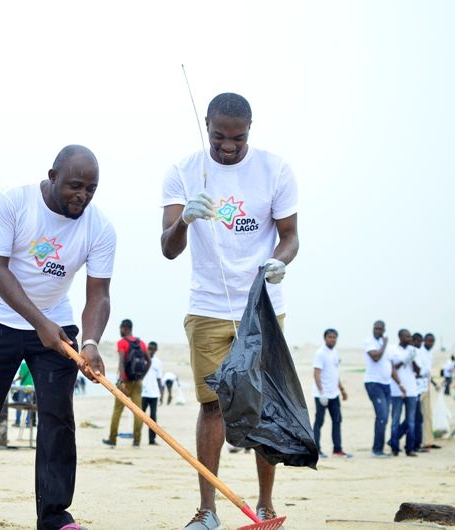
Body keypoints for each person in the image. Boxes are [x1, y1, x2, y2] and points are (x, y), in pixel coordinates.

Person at [0, 145, 115, 530]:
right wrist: (38, 322)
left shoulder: (100, 227)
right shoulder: (12, 202)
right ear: (52, 176)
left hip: (56, 326)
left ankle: (55, 517)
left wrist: (91, 343)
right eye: (75, 186)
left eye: (91, 189)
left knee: (58, 420)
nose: (83, 196)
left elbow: (99, 295)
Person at [161, 92, 299, 530]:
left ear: (250, 131)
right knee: (213, 407)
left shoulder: (275, 170)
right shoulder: (183, 171)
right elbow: (167, 249)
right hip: (207, 308)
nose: (227, 146)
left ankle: (264, 505)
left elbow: (290, 236)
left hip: (260, 305)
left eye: (237, 138)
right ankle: (208, 511)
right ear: (206, 125)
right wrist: (185, 220)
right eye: (219, 137)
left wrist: (281, 260)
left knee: (260, 407)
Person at [102, 319, 150, 448]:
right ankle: (137, 441)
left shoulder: (122, 343)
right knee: (138, 411)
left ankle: (112, 439)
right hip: (137, 382)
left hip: (125, 382)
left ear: (125, 328)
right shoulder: (141, 343)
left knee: (117, 411)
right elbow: (148, 361)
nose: (120, 331)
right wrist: (142, 376)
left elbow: (122, 362)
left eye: (121, 328)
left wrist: (122, 381)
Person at [312, 329, 350, 458]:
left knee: (337, 420)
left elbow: (335, 373)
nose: (332, 339)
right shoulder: (320, 353)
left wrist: (342, 389)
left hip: (334, 394)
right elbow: (316, 373)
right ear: (325, 338)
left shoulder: (335, 353)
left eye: (334, 337)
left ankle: (337, 449)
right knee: (319, 422)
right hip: (322, 394)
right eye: (330, 337)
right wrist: (321, 392)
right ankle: (316, 450)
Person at [363, 320, 392, 458]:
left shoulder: (383, 344)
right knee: (382, 416)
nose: (378, 330)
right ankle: (377, 449)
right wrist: (385, 344)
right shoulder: (369, 342)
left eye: (380, 328)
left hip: (386, 384)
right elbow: (375, 357)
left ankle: (379, 447)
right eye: (376, 328)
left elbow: (389, 365)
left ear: (384, 330)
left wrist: (401, 384)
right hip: (373, 383)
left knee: (385, 417)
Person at [388, 329, 420, 457]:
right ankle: (394, 448)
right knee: (395, 420)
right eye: (406, 336)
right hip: (396, 390)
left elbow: (418, 371)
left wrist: (412, 359)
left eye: (410, 337)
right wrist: (404, 360)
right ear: (400, 337)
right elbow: (392, 368)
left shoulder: (414, 350)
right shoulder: (392, 350)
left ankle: (410, 448)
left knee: (411, 421)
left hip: (412, 390)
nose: (409, 339)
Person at [413, 332, 439, 452]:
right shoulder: (419, 352)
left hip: (426, 386)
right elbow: (418, 371)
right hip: (418, 387)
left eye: (432, 341)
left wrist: (434, 384)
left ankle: (428, 441)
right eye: (428, 341)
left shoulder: (429, 354)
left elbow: (427, 372)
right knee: (417, 416)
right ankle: (398, 437)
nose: (430, 343)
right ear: (424, 341)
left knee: (428, 415)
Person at [141, 341, 163, 446]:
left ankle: (152, 440)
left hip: (154, 394)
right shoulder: (142, 359)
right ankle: (137, 439)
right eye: (149, 348)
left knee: (153, 418)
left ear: (156, 350)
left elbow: (159, 379)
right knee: (140, 417)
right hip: (142, 393)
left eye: (152, 348)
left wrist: (162, 394)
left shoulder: (158, 362)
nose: (150, 350)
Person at [12, 360, 36, 428]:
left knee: (19, 405)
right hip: (31, 388)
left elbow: (21, 376)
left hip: (23, 388)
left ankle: (17, 422)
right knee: (30, 407)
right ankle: (28, 423)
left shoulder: (23, 365)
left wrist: (15, 380)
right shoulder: (33, 364)